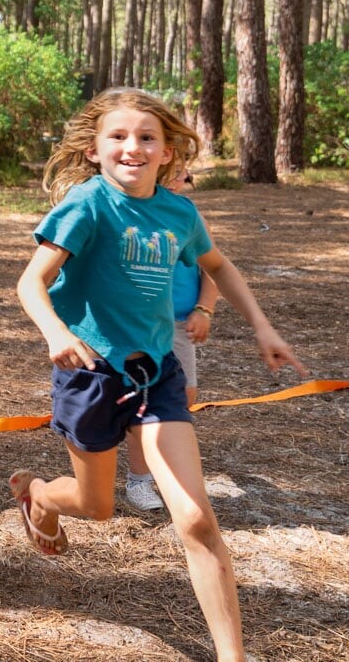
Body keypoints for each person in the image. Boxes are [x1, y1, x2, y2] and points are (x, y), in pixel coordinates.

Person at [11, 88, 307, 661]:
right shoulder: (86, 205)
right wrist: (57, 333)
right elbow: (31, 282)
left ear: (167, 152)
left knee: (195, 518)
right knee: (97, 506)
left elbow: (218, 265)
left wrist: (262, 328)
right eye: (118, 136)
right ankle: (41, 497)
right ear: (94, 150)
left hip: (155, 376)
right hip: (90, 375)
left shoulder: (179, 212)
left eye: (147, 137)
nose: (133, 147)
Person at [123, 168, 221, 511]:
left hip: (179, 324)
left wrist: (204, 309)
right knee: (144, 402)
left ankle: (165, 466)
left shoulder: (188, 215)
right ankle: (139, 479)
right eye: (171, 173)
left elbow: (214, 269)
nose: (176, 180)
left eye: (182, 173)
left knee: (184, 396)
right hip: (139, 326)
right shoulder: (128, 215)